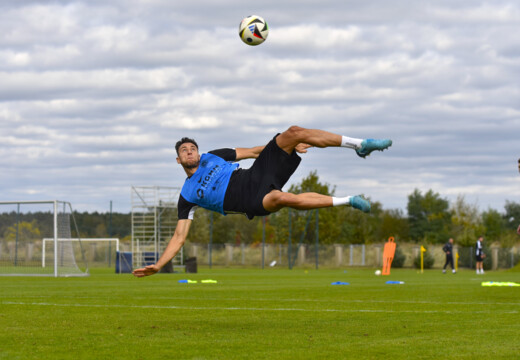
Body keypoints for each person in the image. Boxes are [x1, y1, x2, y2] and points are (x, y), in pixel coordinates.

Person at [132, 126, 392, 277]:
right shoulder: (187, 196)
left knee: (294, 132)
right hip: (251, 200)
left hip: (256, 173)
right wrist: (158, 265)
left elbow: (254, 152)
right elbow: (179, 237)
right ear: (178, 160)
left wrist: (287, 146)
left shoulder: (214, 156)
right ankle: (348, 200)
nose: (190, 152)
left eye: (192, 148)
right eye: (184, 151)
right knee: (282, 198)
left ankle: (359, 144)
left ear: (199, 152)